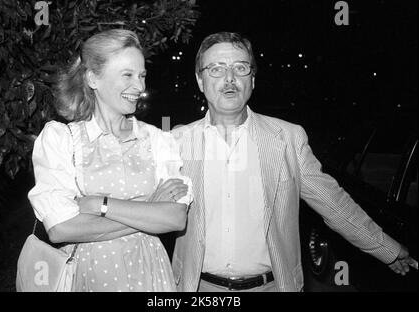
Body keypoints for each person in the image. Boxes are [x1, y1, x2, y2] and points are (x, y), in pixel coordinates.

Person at [171, 32, 412, 292]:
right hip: (198, 288)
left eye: (240, 67)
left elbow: (333, 203)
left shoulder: (287, 137)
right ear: (199, 80)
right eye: (216, 69)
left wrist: (388, 248)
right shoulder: (175, 143)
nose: (229, 78)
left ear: (252, 78)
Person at [28, 29, 192, 292]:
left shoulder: (158, 139)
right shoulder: (61, 140)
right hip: (89, 277)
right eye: (127, 75)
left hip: (152, 276)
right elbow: (61, 228)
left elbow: (174, 219)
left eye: (141, 76)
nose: (139, 87)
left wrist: (98, 204)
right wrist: (149, 207)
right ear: (93, 78)